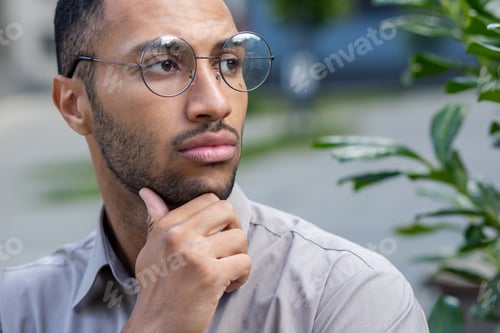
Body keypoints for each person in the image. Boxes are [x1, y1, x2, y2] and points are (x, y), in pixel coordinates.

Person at [0, 0, 430, 332]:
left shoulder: (345, 297)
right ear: (75, 105)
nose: (216, 103)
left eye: (229, 63)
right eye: (164, 64)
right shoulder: (16, 309)